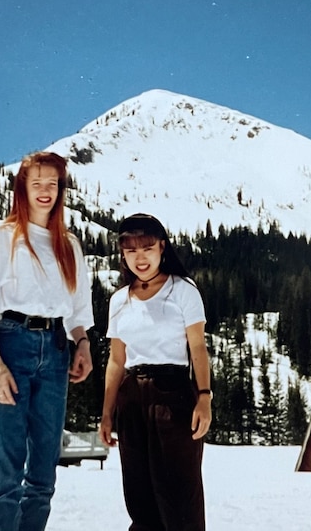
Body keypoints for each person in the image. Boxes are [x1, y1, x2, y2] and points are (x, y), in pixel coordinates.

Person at [0, 151, 94, 531]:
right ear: (22, 188)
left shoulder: (69, 245)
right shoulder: (0, 238)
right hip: (11, 345)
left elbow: (77, 310)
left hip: (56, 351)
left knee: (43, 474)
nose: (45, 191)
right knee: (8, 474)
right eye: (37, 183)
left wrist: (83, 344)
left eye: (52, 184)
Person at [99, 213, 211, 531]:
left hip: (173, 394)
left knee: (178, 494)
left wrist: (204, 397)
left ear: (162, 247)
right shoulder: (119, 300)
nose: (140, 257)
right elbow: (116, 361)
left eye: (147, 247)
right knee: (139, 494)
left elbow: (198, 348)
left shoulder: (183, 290)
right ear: (123, 254)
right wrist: (108, 414)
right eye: (131, 250)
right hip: (131, 398)